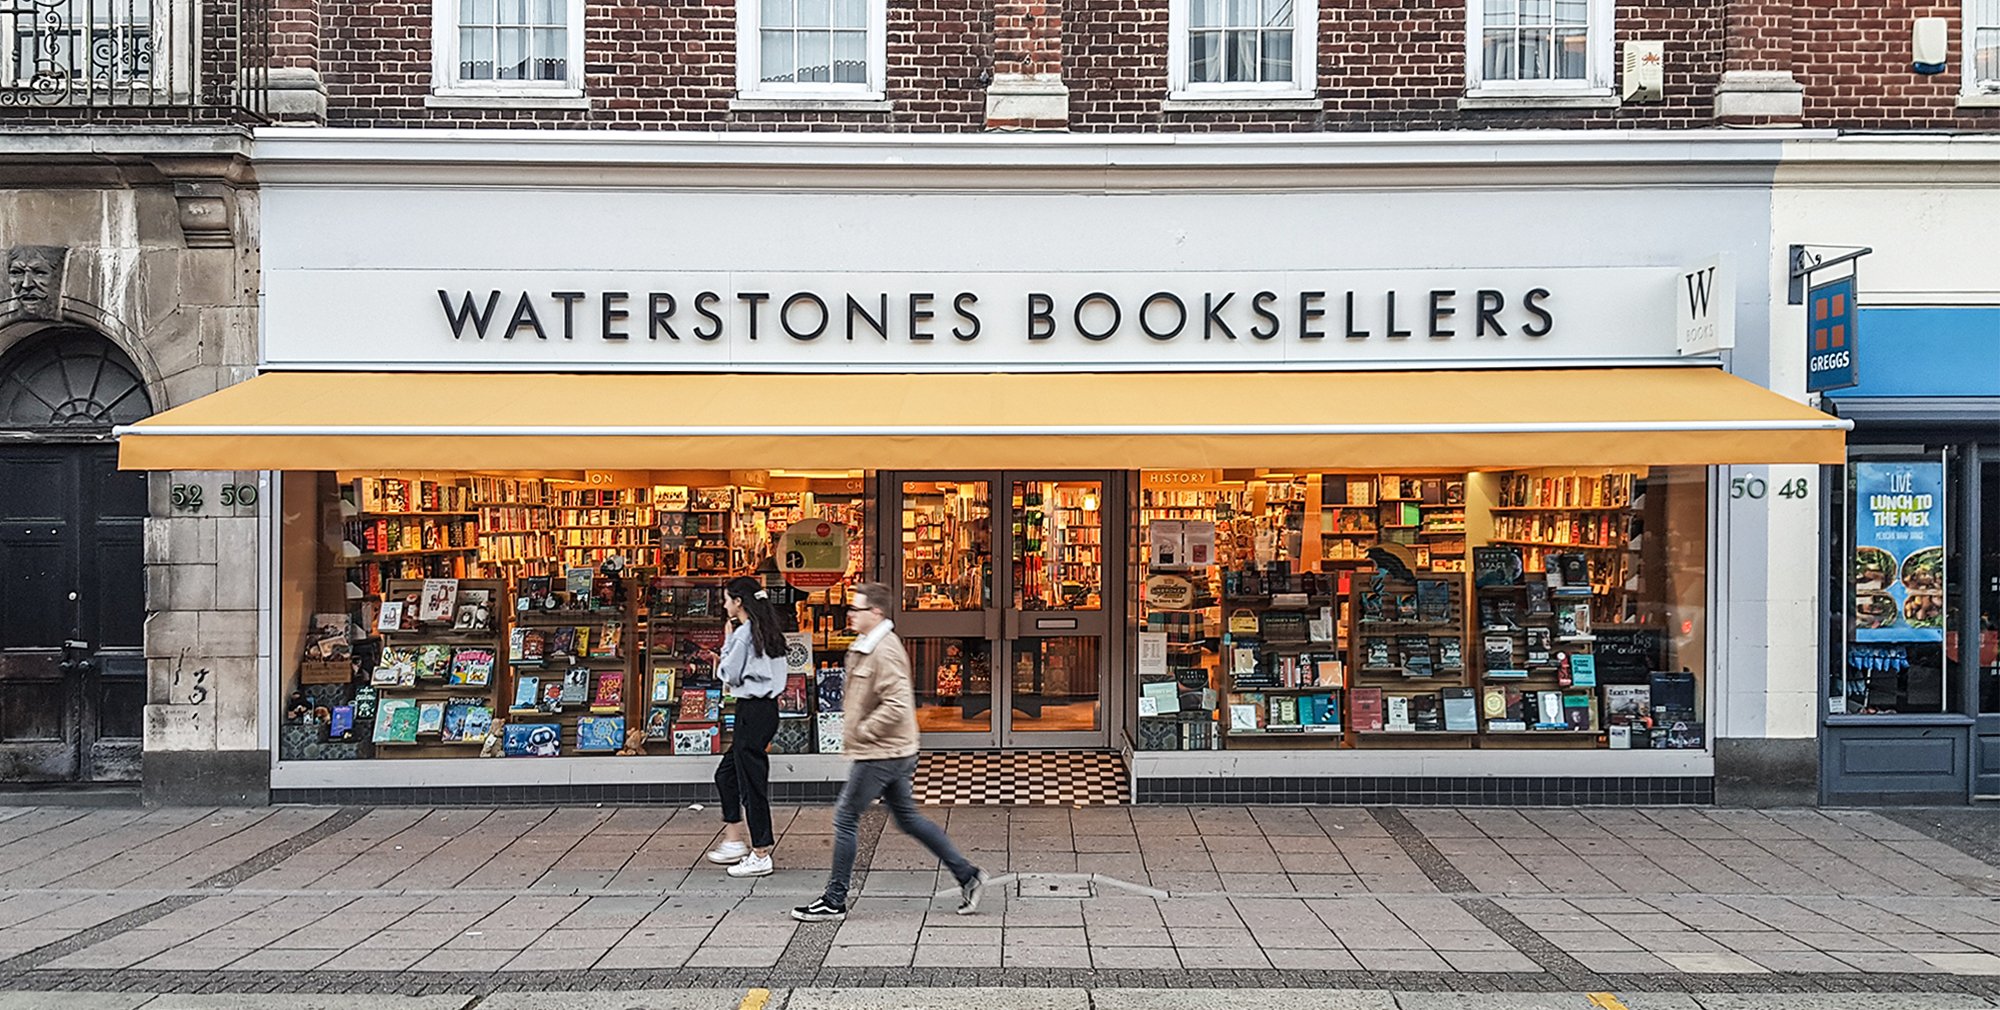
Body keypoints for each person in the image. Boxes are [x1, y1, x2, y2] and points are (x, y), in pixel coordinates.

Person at [793, 582, 985, 922]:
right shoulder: (869, 644)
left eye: (857, 609)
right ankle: (967, 874)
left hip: (882, 750)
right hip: (890, 748)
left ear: (876, 612)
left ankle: (834, 899)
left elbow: (897, 704)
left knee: (845, 816)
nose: (849, 614)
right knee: (907, 818)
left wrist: (865, 731)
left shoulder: (886, 649)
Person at [704, 575, 790, 878]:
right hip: (766, 709)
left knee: (751, 782)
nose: (725, 604)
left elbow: (729, 674)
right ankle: (734, 838)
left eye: (727, 599)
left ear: (739, 602)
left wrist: (726, 644)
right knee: (727, 774)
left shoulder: (743, 634)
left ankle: (760, 851)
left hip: (751, 710)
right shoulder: (768, 630)